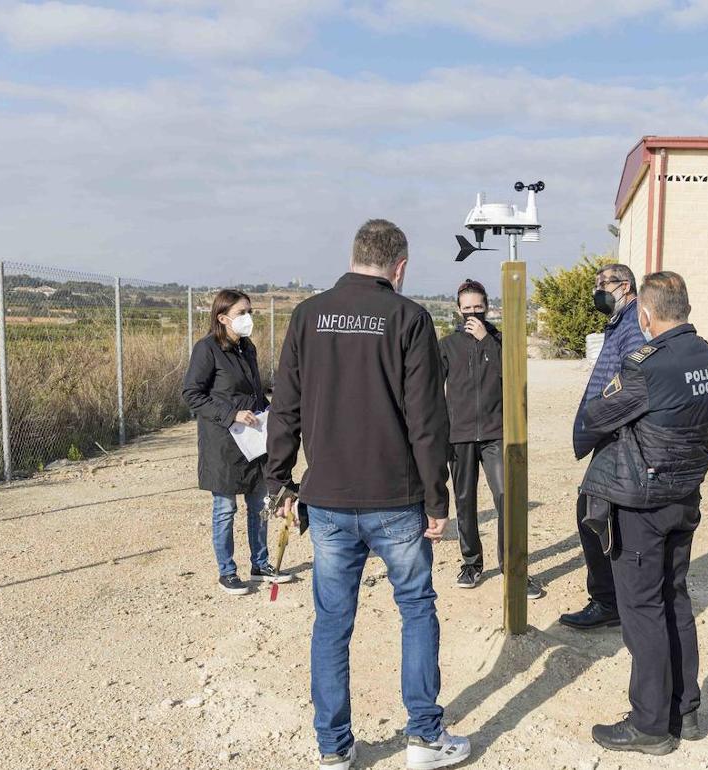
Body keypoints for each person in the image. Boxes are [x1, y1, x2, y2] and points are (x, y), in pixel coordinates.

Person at [265, 220, 471, 770]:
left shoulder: (308, 316)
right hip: (396, 498)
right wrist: (437, 497)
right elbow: (428, 417)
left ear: (354, 255)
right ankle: (424, 739)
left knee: (333, 621)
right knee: (416, 610)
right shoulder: (408, 316)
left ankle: (334, 749)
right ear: (398, 267)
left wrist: (279, 478)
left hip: (328, 498)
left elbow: (285, 402)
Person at [574, 271, 708, 755]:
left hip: (642, 502)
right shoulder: (706, 356)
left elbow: (597, 416)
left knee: (641, 611)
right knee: (675, 598)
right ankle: (686, 709)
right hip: (684, 497)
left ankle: (649, 725)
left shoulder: (647, 364)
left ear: (646, 313)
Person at [439, 279, 545, 599]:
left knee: (507, 499)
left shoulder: (501, 342)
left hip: (496, 434)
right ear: (458, 310)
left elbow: (512, 378)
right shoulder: (447, 346)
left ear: (488, 307)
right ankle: (471, 563)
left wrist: (487, 341)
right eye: (467, 309)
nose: (473, 314)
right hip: (459, 436)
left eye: (479, 308)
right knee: (465, 501)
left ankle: (514, 569)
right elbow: (430, 388)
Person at [182, 289, 289, 596]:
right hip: (223, 442)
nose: (248, 319)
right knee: (225, 508)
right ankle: (227, 572)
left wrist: (268, 411)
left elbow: (254, 391)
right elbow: (192, 394)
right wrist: (231, 414)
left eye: (250, 312)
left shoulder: (247, 348)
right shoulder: (207, 350)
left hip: (253, 442)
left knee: (259, 505)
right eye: (242, 313)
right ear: (222, 318)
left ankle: (261, 564)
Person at [560, 263, 646, 630]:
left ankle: (609, 602)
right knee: (598, 515)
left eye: (603, 284)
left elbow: (633, 385)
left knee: (592, 514)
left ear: (624, 286)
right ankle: (616, 598)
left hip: (620, 437)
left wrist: (602, 417)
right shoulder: (619, 324)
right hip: (610, 435)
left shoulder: (633, 327)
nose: (598, 290)